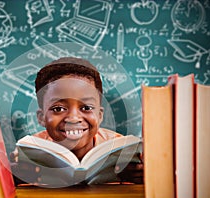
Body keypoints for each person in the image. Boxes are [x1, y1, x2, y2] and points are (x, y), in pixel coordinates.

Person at [10, 57, 143, 185]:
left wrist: (141, 175)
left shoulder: (120, 149)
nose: (73, 119)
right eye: (58, 109)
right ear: (41, 117)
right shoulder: (32, 151)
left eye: (86, 107)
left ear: (100, 115)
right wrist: (14, 177)